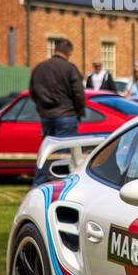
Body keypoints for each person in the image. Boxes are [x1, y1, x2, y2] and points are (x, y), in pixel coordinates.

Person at [29, 39, 85, 186]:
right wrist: (79, 112)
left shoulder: (40, 68)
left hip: (47, 115)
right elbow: (79, 93)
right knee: (64, 154)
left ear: (55, 50)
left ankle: (38, 183)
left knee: (46, 151)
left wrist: (42, 109)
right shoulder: (69, 68)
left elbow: (33, 92)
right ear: (69, 52)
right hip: (66, 115)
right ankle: (61, 184)